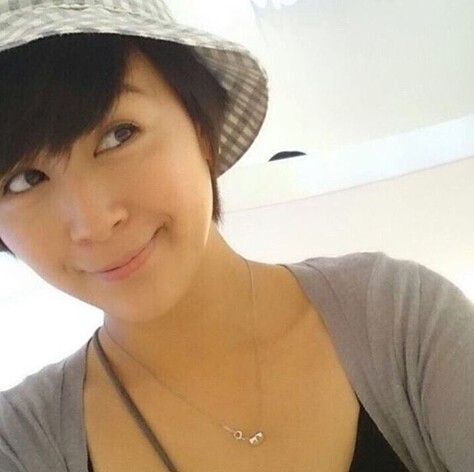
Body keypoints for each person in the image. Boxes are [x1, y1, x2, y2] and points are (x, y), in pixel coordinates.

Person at [0, 0, 473, 471]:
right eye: (23, 180)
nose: (93, 223)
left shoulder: (399, 321)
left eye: (118, 135)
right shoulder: (21, 443)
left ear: (201, 128)